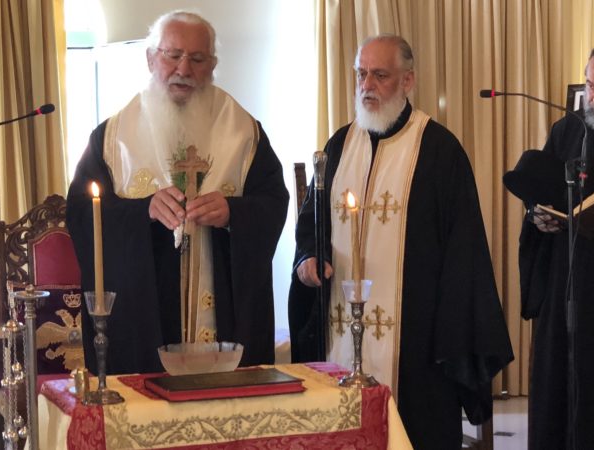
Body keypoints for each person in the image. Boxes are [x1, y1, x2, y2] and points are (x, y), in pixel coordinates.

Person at [288, 34, 513, 449]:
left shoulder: (440, 152)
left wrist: (452, 340)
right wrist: (307, 260)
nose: (366, 86)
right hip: (341, 337)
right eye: (361, 74)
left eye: (380, 75)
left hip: (417, 347)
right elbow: (311, 225)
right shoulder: (339, 146)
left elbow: (464, 257)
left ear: (408, 81)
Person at [67, 10, 289, 375]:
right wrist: (144, 211)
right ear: (150, 58)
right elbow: (81, 213)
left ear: (212, 65)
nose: (183, 69)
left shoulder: (243, 133)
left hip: (223, 323)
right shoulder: (113, 139)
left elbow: (272, 202)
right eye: (173, 55)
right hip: (144, 319)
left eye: (197, 59)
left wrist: (233, 213)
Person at [519, 50, 594, 449]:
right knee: (558, 379)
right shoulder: (566, 130)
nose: (592, 96)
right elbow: (541, 189)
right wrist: (537, 216)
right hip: (565, 278)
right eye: (590, 85)